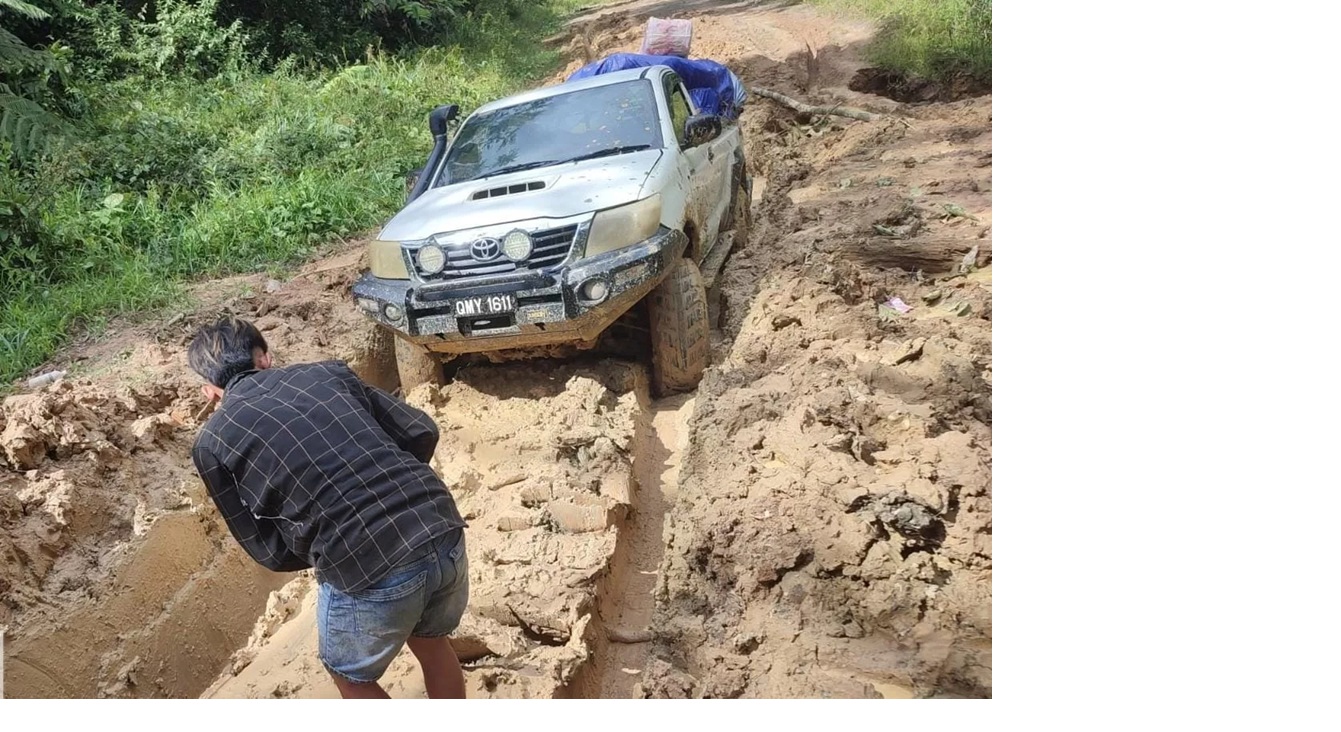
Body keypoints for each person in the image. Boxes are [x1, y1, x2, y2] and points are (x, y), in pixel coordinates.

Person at [186, 316, 469, 699]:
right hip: (441, 524)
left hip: (365, 562)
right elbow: (421, 430)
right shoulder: (328, 373)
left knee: (351, 676)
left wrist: (324, 542)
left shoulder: (211, 443)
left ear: (209, 392)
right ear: (264, 357)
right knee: (432, 642)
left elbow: (265, 549)